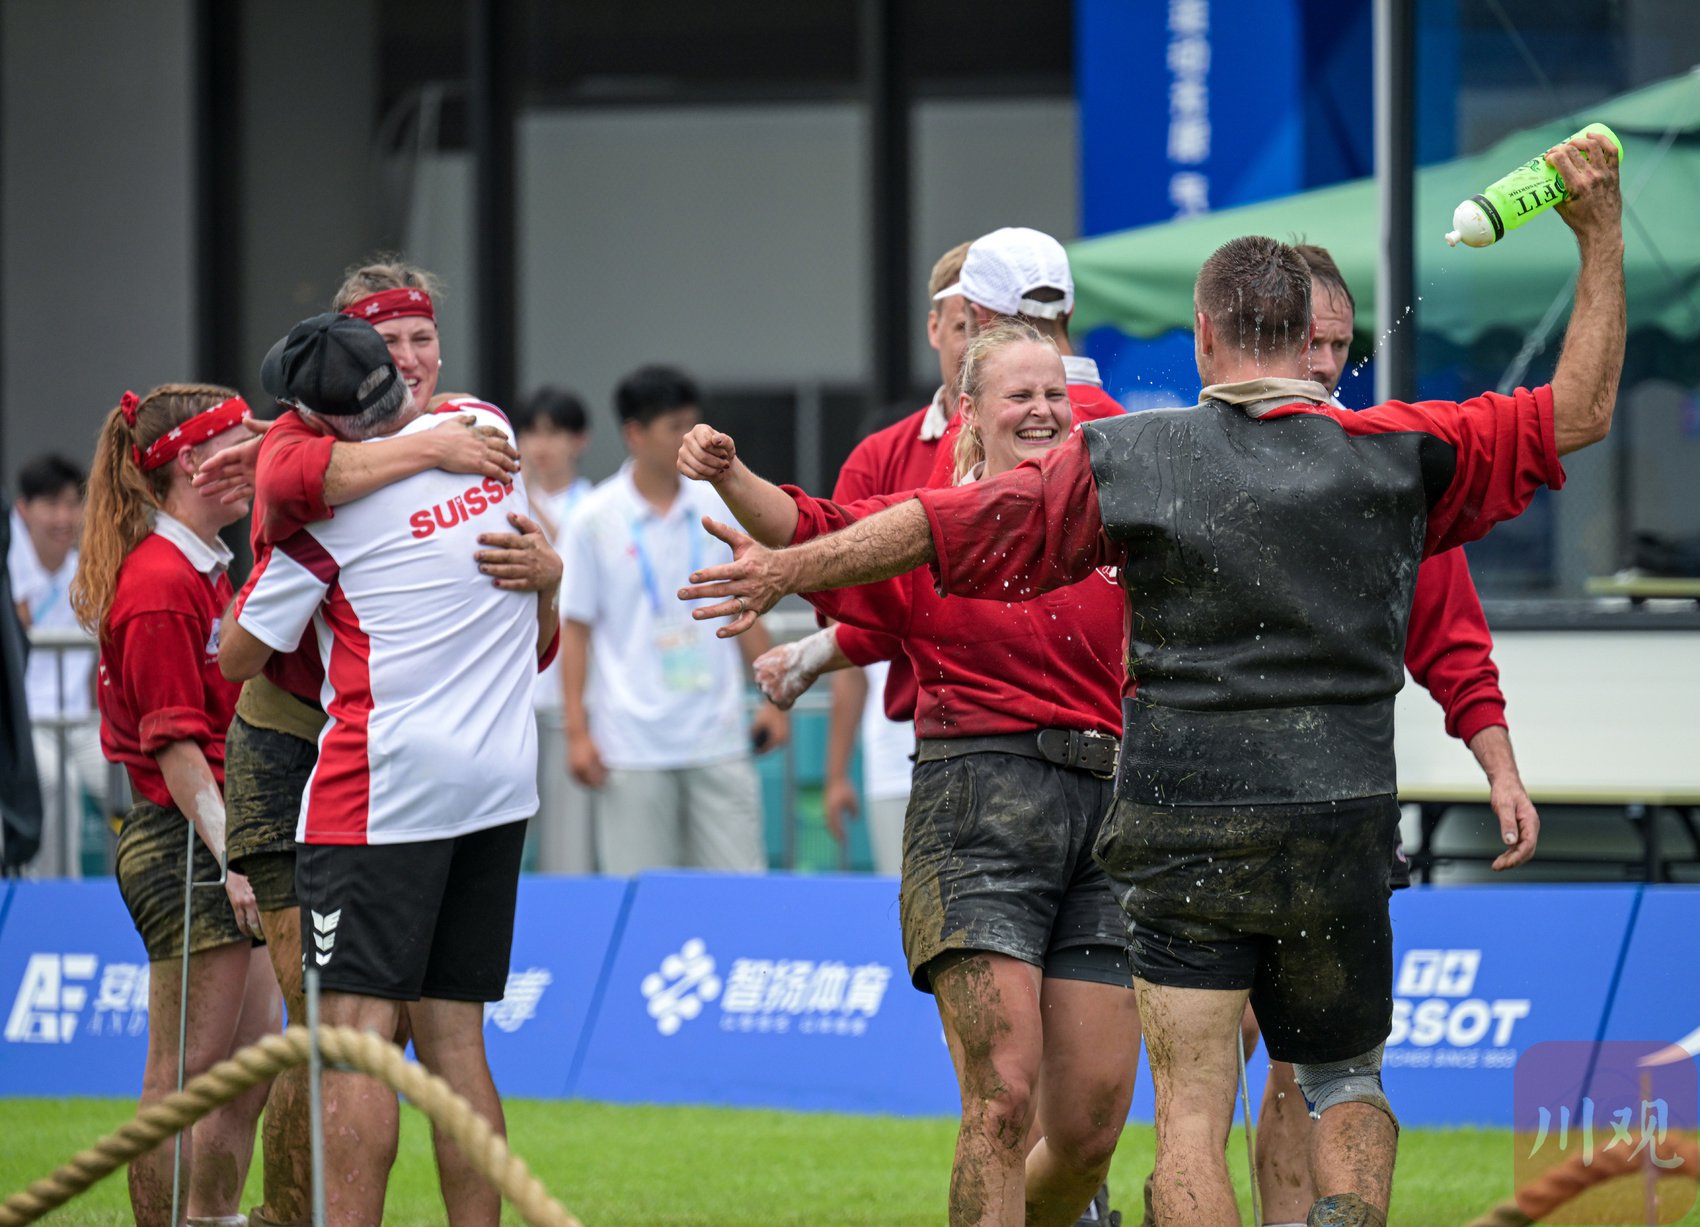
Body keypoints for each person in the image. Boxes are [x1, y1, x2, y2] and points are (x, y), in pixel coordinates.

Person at [674, 133, 1625, 1227]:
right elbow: (1579, 410)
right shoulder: (1397, 453)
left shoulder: (1134, 458)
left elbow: (942, 525)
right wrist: (1594, 238)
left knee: (1184, 1119)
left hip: (1180, 826)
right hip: (1335, 823)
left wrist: (792, 569)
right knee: (1344, 1084)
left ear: (1203, 337)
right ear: (1318, 343)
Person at [680, 321, 1141, 1227]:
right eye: (1022, 395)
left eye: (1057, 393)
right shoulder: (929, 520)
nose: (1046, 410)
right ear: (971, 411)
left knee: (1088, 1129)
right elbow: (817, 528)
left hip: (1107, 812)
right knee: (1002, 1099)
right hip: (975, 807)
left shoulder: (1113, 516)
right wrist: (733, 475)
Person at [196, 257, 523, 1227]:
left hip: (373, 784)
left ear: (311, 412)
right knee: (453, 1045)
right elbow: (304, 463)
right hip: (492, 785)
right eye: (394, 346)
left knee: (346, 1042)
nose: (416, 357)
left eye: (425, 336)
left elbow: (236, 657)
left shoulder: (315, 518)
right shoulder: (486, 434)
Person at [1226, 244, 1540, 1227]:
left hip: (1328, 818)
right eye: (1303, 340)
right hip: (1188, 812)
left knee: (1292, 1056)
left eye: (1336, 343)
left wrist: (1499, 769)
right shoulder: (1181, 466)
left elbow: (1448, 640)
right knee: (1171, 1076)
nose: (1321, 363)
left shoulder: (1380, 472)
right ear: (1256, 340)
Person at [68, 384, 281, 1227]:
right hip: (188, 838)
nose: (253, 460)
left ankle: (210, 1216)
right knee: (184, 1075)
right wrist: (233, 854)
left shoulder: (202, 562)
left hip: (221, 835)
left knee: (249, 1059)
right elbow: (173, 743)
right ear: (192, 462)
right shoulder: (160, 579)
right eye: (236, 444)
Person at [560, 364, 787, 874]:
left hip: (718, 733)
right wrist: (578, 732)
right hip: (630, 743)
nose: (692, 440)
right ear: (634, 434)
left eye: (694, 423)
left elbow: (749, 601)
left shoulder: (719, 503)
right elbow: (575, 631)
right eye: (674, 428)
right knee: (639, 898)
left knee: (739, 891)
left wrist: (773, 699)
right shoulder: (593, 518)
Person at [9, 454, 106, 874]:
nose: (64, 517)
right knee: (56, 785)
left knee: (122, 774)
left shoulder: (86, 571)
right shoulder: (8, 569)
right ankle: (53, 899)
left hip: (81, 722)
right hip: (27, 724)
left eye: (73, 503)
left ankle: (124, 896)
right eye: (51, 504)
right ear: (24, 510)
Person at [514, 386, 596, 874]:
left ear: (579, 440)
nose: (540, 445)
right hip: (518, 693)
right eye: (531, 432)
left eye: (554, 432)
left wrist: (523, 492)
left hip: (569, 696)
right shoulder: (503, 501)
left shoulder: (594, 505)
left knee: (569, 844)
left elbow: (563, 558)